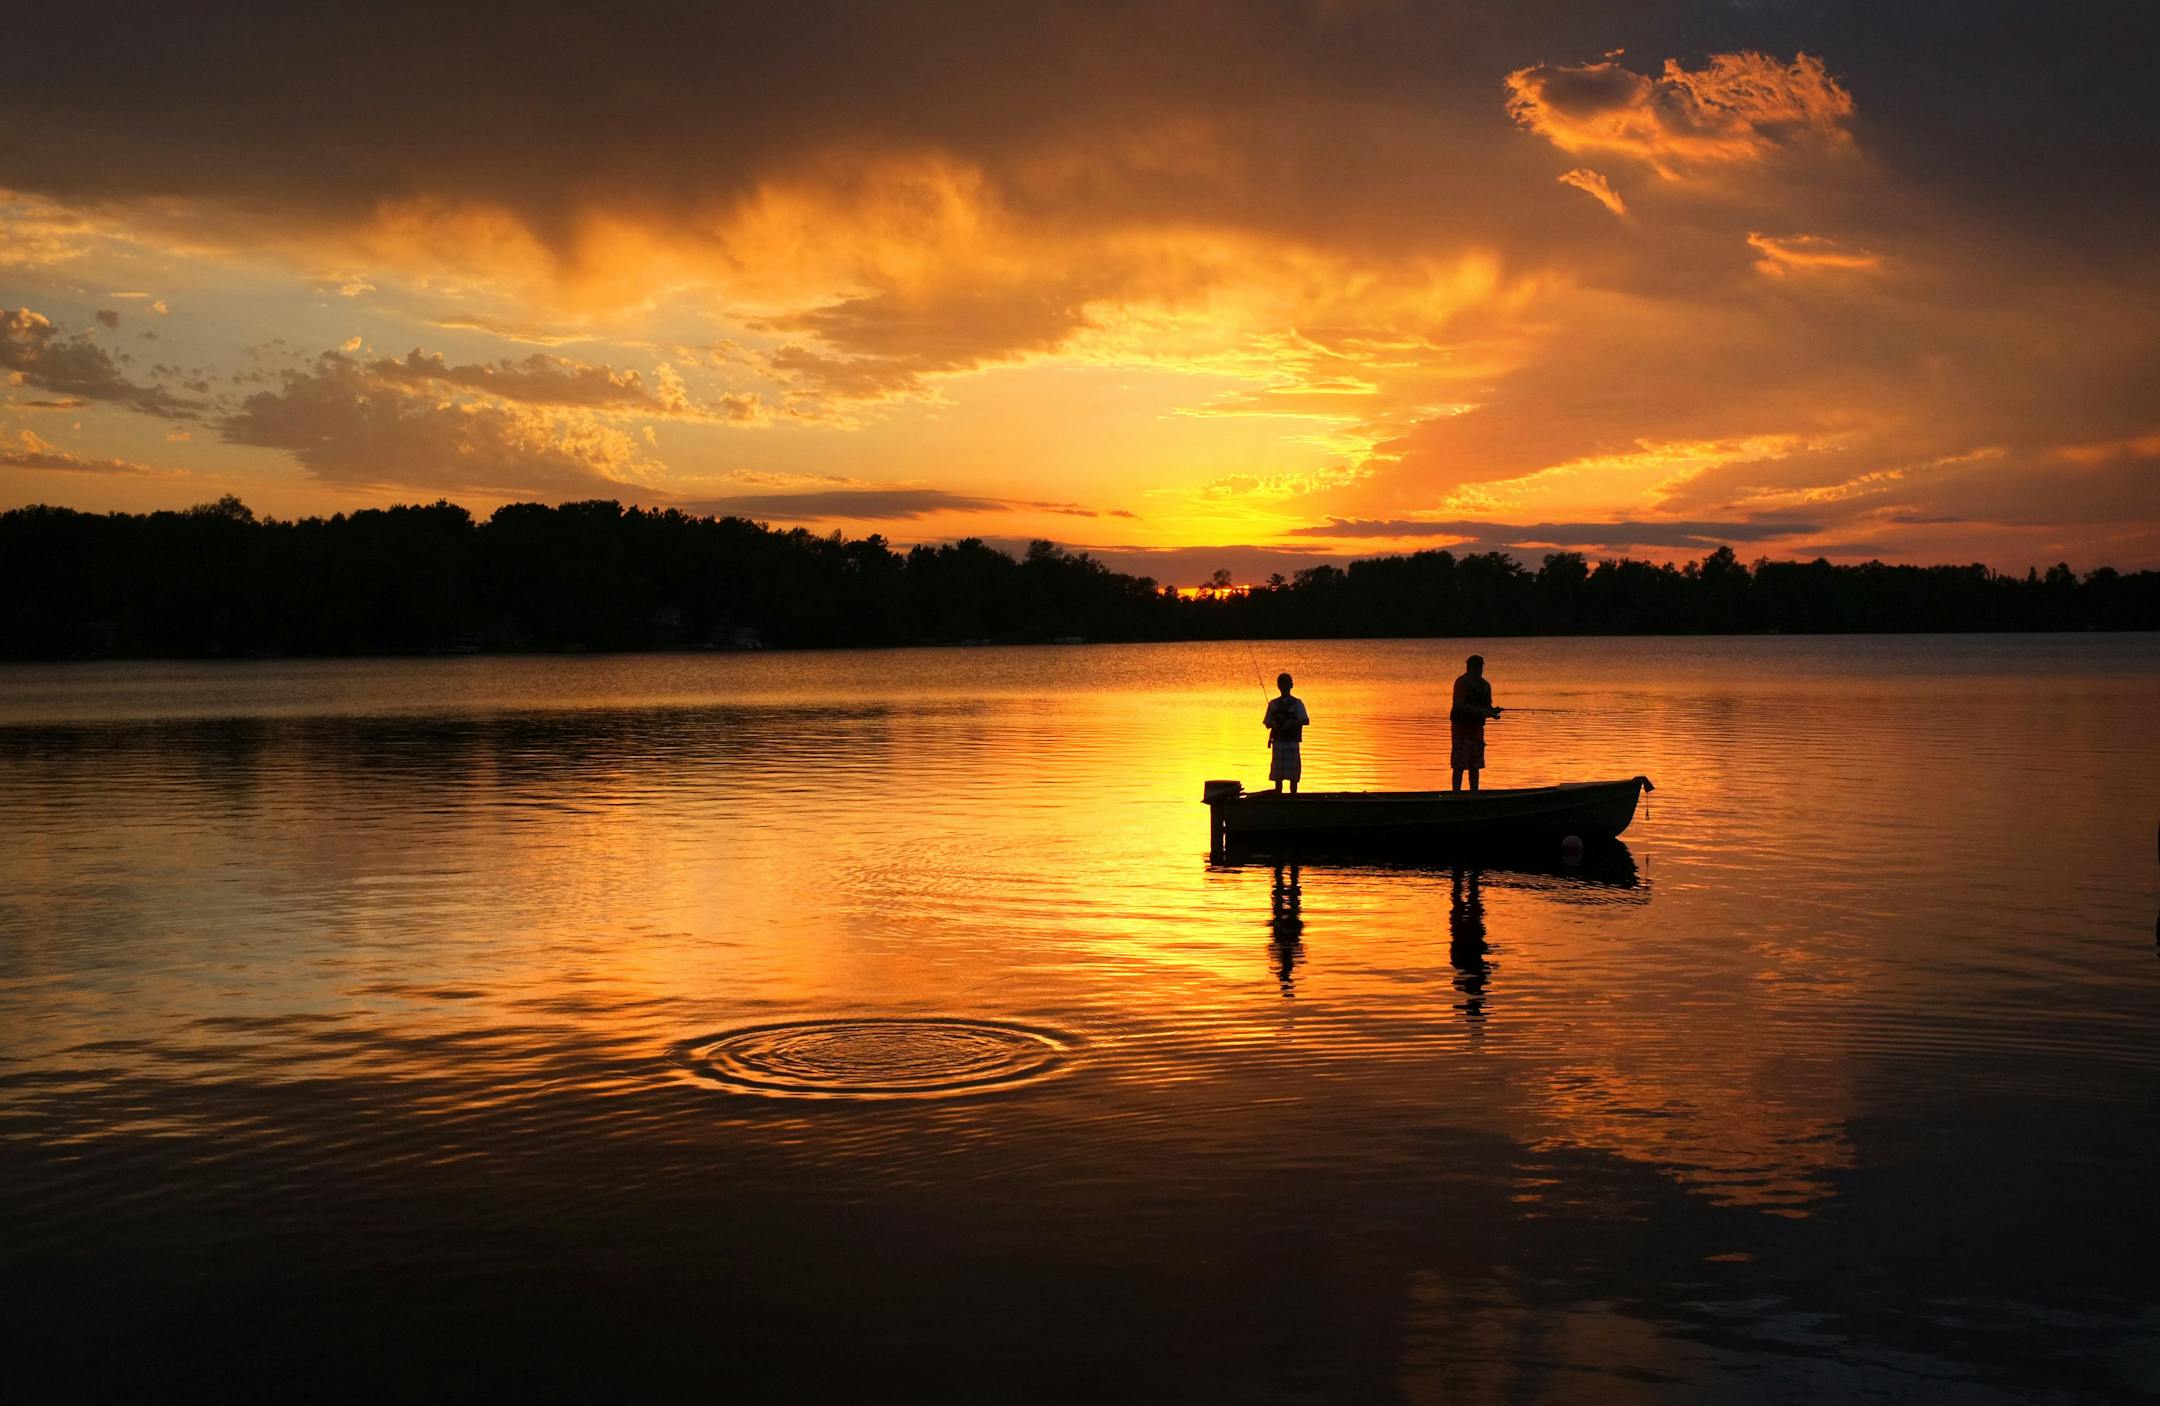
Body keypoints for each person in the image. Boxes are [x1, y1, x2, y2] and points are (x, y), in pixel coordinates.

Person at [1449, 654, 1503, 791]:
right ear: (1469, 668)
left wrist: (1492, 712)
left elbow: (1486, 707)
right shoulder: (1462, 682)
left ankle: (1474, 793)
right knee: (1459, 765)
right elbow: (1459, 705)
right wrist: (1482, 712)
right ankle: (1456, 794)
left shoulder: (1485, 686)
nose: (1478, 670)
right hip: (1461, 728)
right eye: (1475, 668)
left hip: (1477, 730)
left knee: (1475, 765)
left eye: (1479, 667)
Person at [1263, 672, 1310, 794]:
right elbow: (1267, 723)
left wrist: (1291, 723)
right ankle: (1278, 798)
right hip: (1278, 744)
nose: (1284, 686)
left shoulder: (1297, 703)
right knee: (1278, 776)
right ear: (1278, 686)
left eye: (1286, 683)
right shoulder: (1273, 704)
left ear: (1291, 685)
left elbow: (1306, 720)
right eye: (1282, 684)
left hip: (1292, 744)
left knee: (1293, 777)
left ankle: (1293, 798)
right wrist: (1273, 724)